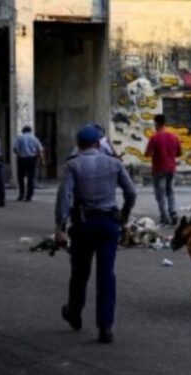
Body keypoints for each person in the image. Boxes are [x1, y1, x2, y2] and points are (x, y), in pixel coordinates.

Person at [55, 125, 137, 344]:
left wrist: (60, 228)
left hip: (84, 224)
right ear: (97, 143)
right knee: (106, 274)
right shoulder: (114, 163)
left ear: (79, 144)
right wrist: (124, 216)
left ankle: (74, 313)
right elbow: (131, 192)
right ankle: (105, 326)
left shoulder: (72, 165)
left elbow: (65, 197)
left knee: (80, 272)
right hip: (109, 223)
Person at [145, 115, 181, 225]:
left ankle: (164, 217)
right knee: (170, 191)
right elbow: (179, 153)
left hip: (159, 169)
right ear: (164, 123)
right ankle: (173, 212)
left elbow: (148, 154)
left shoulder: (154, 138)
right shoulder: (174, 137)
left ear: (156, 124)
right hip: (171, 168)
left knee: (160, 194)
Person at [13, 125, 45, 202]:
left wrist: (19, 154)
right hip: (31, 159)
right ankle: (29, 196)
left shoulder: (20, 137)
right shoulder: (35, 138)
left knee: (20, 177)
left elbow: (15, 148)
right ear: (30, 131)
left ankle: (21, 194)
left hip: (22, 159)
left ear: (23, 131)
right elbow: (40, 150)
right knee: (31, 178)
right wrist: (42, 160)